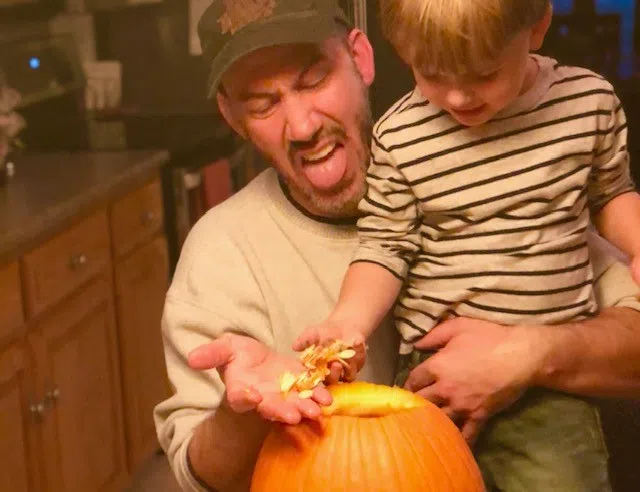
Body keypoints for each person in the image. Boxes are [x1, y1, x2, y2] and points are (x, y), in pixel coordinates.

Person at [153, 1, 640, 491]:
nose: (302, 127)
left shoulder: (529, 165)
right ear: (232, 117)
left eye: (314, 80)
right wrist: (245, 412)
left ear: (361, 59)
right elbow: (199, 477)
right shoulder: (219, 255)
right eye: (263, 104)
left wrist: (528, 354)